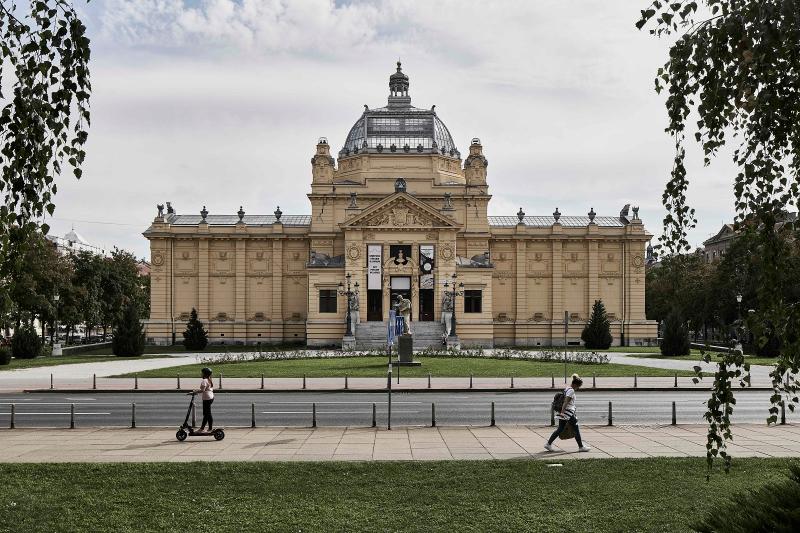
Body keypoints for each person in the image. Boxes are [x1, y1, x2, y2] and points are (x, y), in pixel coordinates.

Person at [544, 374, 591, 452]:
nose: (578, 388)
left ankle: (548, 444)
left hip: (566, 412)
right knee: (576, 428)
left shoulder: (567, 388)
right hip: (568, 413)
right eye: (578, 387)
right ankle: (581, 447)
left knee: (560, 428)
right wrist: (562, 413)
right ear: (575, 384)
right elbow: (565, 402)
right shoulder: (571, 391)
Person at [197, 367, 215, 432]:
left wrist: (194, 392)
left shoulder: (204, 380)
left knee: (206, 414)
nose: (201, 374)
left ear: (205, 374)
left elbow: (202, 390)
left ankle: (202, 429)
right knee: (208, 414)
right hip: (211, 397)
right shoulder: (209, 380)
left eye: (202, 373)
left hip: (207, 398)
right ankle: (210, 428)